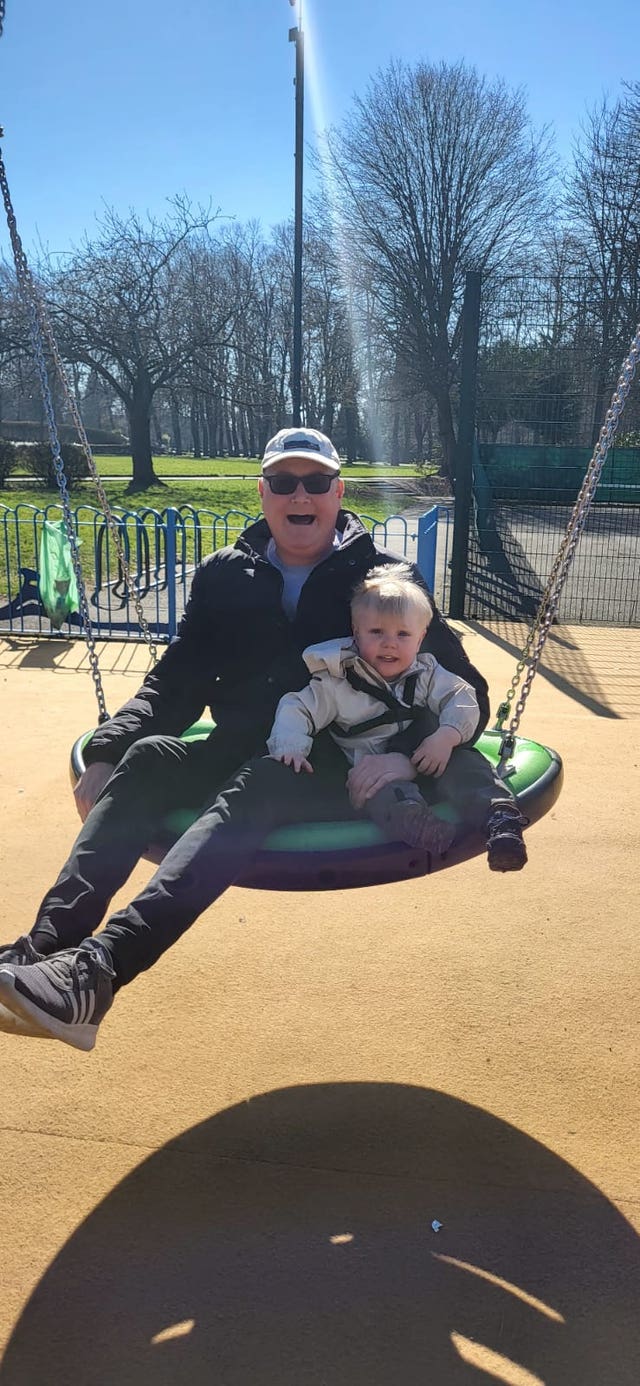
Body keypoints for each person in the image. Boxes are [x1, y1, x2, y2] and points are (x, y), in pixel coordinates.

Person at [0, 427, 525, 1053]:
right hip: (243, 743)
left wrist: (401, 761)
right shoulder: (226, 574)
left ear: (338, 491)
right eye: (282, 482)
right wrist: (110, 747)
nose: (298, 495)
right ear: (262, 492)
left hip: (334, 766)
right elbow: (179, 677)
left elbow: (461, 687)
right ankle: (45, 951)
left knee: (257, 784)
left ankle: (100, 971)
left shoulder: (385, 581)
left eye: (314, 482)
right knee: (148, 758)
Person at [267, 563, 525, 862]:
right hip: (376, 774)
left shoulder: (427, 673)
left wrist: (447, 735)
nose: (389, 642)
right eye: (376, 632)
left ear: (420, 637)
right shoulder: (337, 681)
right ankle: (421, 828)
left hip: (432, 757)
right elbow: (298, 708)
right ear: (356, 632)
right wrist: (291, 747)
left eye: (403, 634)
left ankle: (500, 819)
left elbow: (462, 698)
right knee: (388, 796)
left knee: (467, 764)